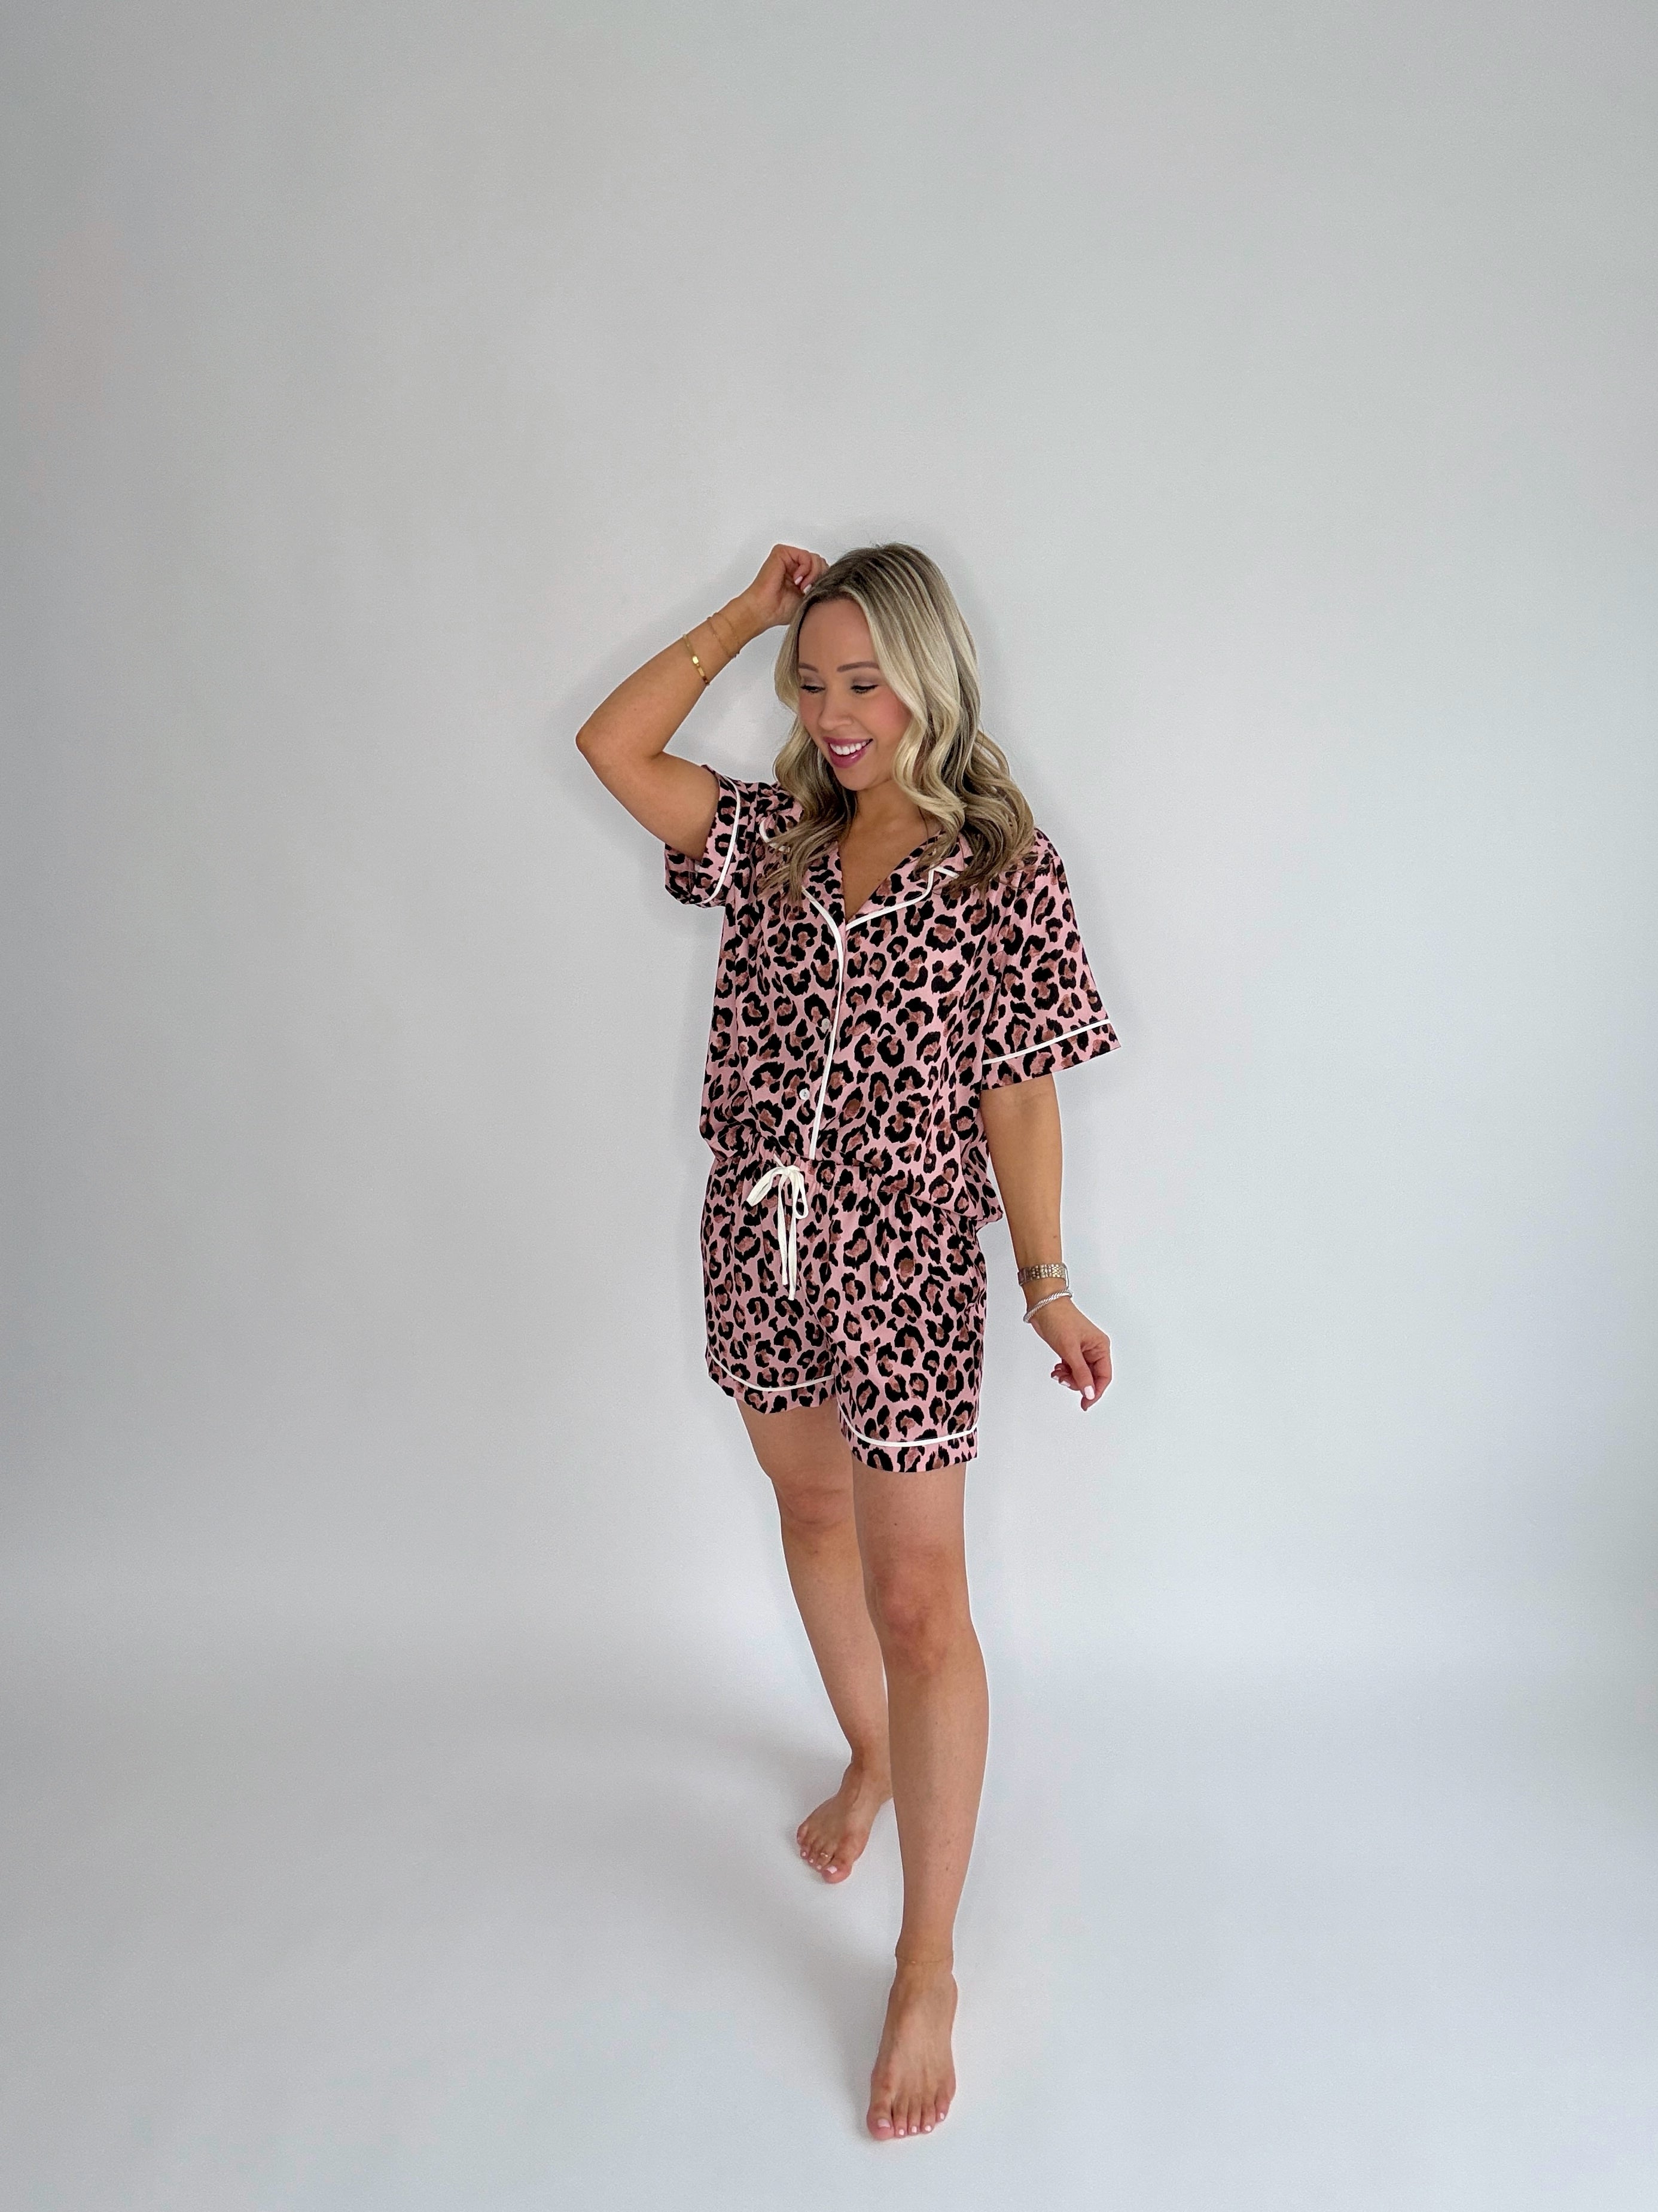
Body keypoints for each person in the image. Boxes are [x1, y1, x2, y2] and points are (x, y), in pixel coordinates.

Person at [575, 541, 1119, 2141]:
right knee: (809, 1508)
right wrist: (746, 613)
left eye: (865, 680)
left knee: (919, 1597)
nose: (834, 713)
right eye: (811, 682)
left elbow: (1021, 1089)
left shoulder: (1004, 865)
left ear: (931, 679)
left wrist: (1046, 1283)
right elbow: (612, 748)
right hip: (762, 1241)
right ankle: (868, 1756)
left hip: (909, 1266)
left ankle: (925, 1960)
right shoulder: (770, 840)